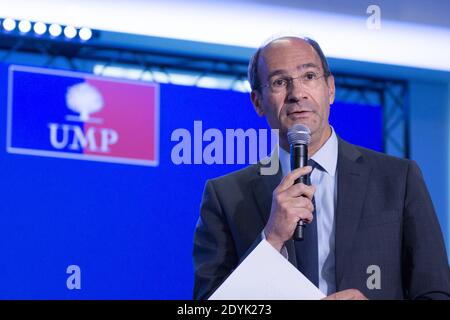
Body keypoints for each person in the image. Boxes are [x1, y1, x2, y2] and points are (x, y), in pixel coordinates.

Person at [193, 35, 450, 300]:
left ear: (330, 89)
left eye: (310, 76)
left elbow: (436, 293)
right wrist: (271, 239)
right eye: (280, 82)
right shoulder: (226, 196)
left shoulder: (398, 179)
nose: (297, 94)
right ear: (258, 102)